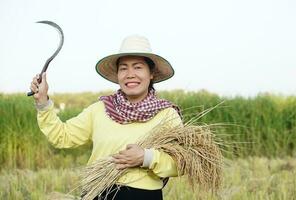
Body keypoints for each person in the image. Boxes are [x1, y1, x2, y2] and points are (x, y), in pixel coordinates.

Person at [30, 35, 183, 200]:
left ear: (151, 73)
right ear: (117, 74)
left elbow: (180, 163)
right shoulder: (100, 109)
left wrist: (146, 157)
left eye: (138, 67)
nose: (130, 74)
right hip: (97, 193)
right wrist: (43, 102)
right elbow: (62, 136)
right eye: (123, 68)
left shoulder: (166, 114)